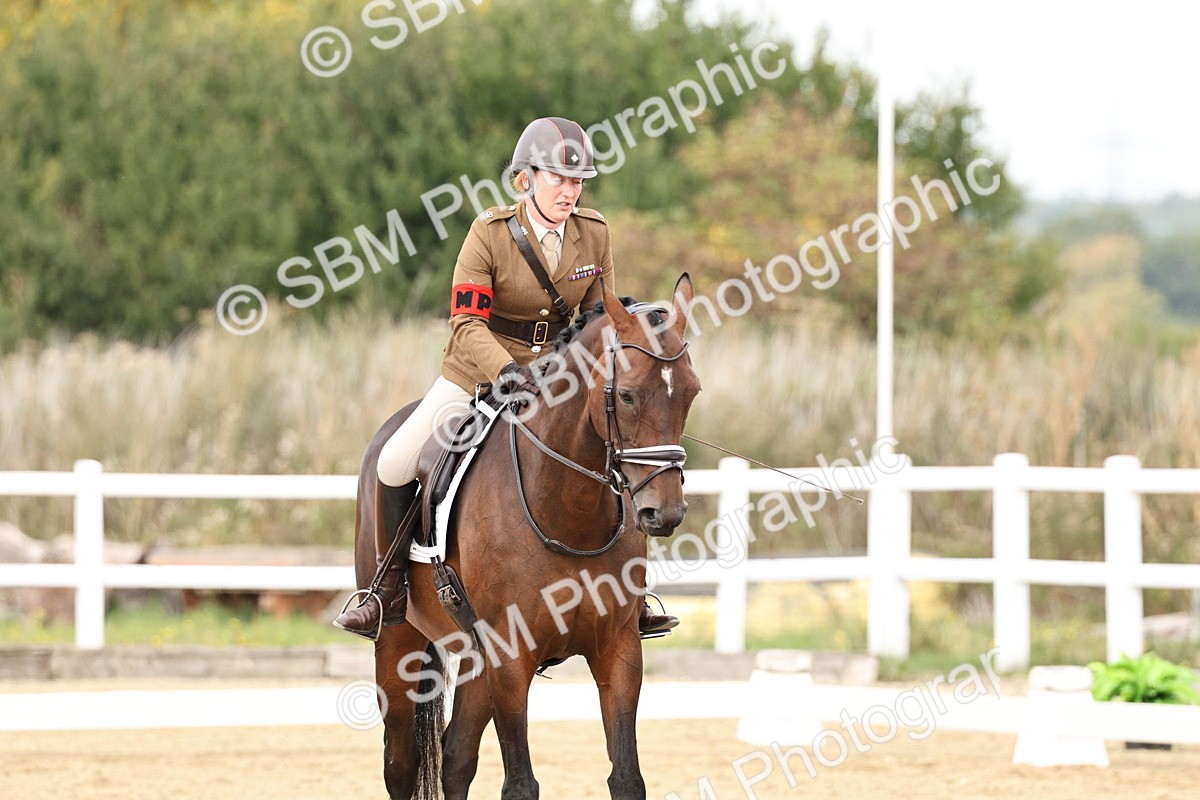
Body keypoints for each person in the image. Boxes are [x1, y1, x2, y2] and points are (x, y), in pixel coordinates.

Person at [333, 116, 679, 640]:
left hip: (560, 379)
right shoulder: (489, 234)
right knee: (395, 460)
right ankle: (387, 590)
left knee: (619, 447)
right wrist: (507, 372)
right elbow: (467, 322)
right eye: (558, 179)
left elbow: (598, 317)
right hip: (479, 371)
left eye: (578, 180)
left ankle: (632, 596)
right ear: (527, 178)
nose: (570, 190)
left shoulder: (595, 233)